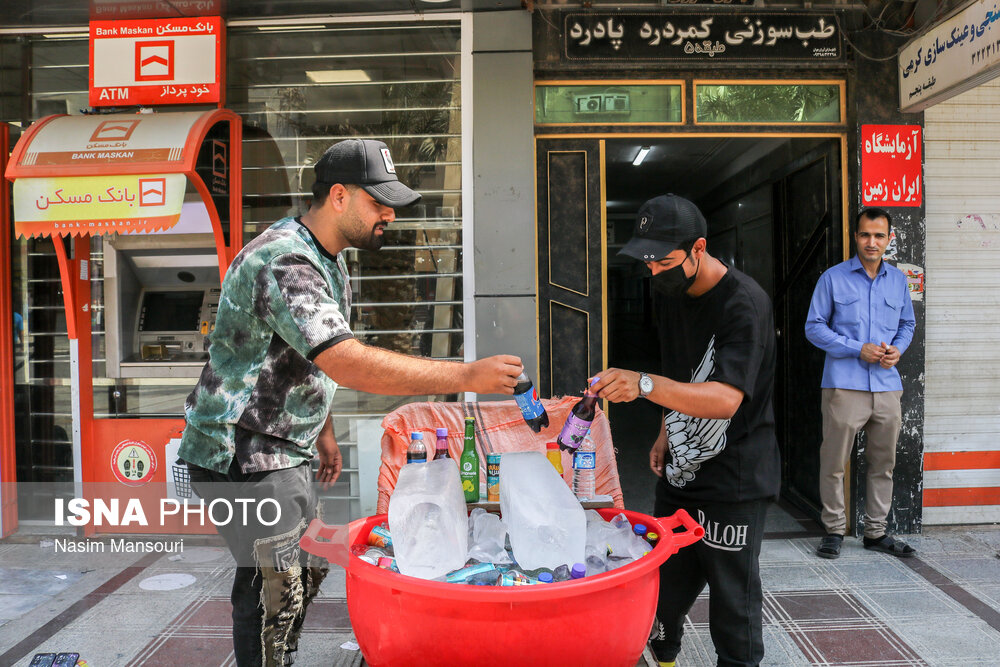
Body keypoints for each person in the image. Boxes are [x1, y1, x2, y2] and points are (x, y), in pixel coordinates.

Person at [177, 138, 523, 667]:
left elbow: (307, 356)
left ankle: (276, 651)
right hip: (243, 454)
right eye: (378, 202)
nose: (389, 215)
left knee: (296, 572)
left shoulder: (328, 258)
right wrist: (468, 374)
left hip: (280, 446)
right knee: (276, 589)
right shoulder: (286, 260)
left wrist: (324, 431)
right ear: (338, 196)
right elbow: (344, 359)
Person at [591, 194, 779, 667]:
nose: (654, 273)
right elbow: (680, 371)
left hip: (735, 476)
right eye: (647, 263)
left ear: (698, 248)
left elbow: (724, 398)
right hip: (680, 472)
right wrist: (664, 428)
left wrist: (643, 385)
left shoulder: (745, 304)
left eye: (665, 262)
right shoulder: (669, 291)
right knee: (663, 584)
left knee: (732, 603)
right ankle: (666, 650)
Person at [805, 207, 916, 560]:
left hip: (886, 386)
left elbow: (907, 325)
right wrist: (857, 349)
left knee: (884, 463)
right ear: (856, 237)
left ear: (889, 239)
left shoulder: (898, 280)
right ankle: (834, 530)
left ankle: (876, 532)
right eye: (866, 235)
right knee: (834, 461)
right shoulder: (833, 278)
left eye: (879, 236)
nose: (872, 242)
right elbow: (814, 327)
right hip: (844, 385)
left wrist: (897, 349)